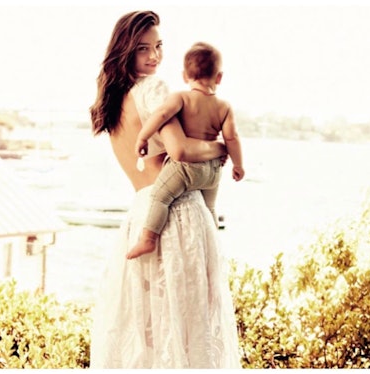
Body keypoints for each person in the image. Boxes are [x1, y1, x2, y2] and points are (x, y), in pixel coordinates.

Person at [89, 10, 241, 369]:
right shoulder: (153, 89)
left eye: (159, 46)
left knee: (148, 334)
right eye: (144, 49)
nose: (155, 57)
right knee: (188, 331)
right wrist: (222, 149)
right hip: (177, 215)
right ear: (125, 51)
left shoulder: (111, 103)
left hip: (141, 215)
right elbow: (181, 150)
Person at [126, 41, 245, 260]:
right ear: (219, 78)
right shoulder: (224, 107)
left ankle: (147, 239)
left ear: (184, 76)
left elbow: (161, 115)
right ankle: (213, 244)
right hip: (212, 170)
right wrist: (238, 165)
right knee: (210, 207)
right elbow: (231, 137)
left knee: (160, 197)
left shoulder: (181, 98)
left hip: (186, 168)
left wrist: (143, 137)